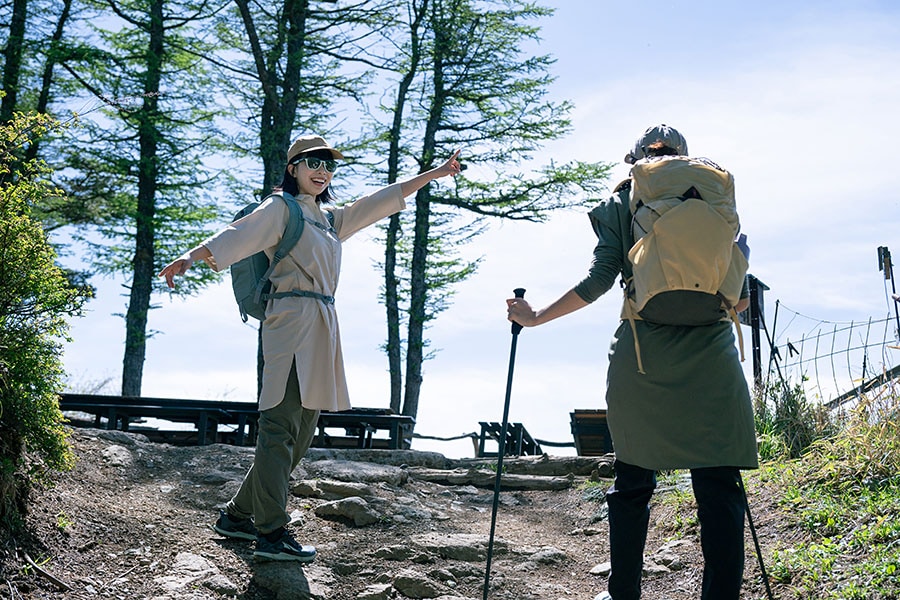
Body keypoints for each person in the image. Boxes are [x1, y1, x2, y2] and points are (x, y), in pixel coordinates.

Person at [159, 135, 461, 562]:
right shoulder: (281, 208)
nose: (322, 171)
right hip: (289, 320)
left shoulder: (328, 219)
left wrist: (435, 173)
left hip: (322, 325)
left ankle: (237, 516)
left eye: (329, 165)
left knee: (300, 434)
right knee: (280, 429)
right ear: (293, 167)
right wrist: (190, 257)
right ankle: (270, 532)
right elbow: (237, 234)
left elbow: (379, 201)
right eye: (313, 162)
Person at [505, 124, 758, 600]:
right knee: (719, 484)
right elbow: (738, 301)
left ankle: (624, 594)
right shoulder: (714, 199)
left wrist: (535, 316)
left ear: (637, 161)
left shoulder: (623, 205)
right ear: (686, 158)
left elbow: (601, 278)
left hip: (643, 354)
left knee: (634, 481)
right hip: (712, 354)